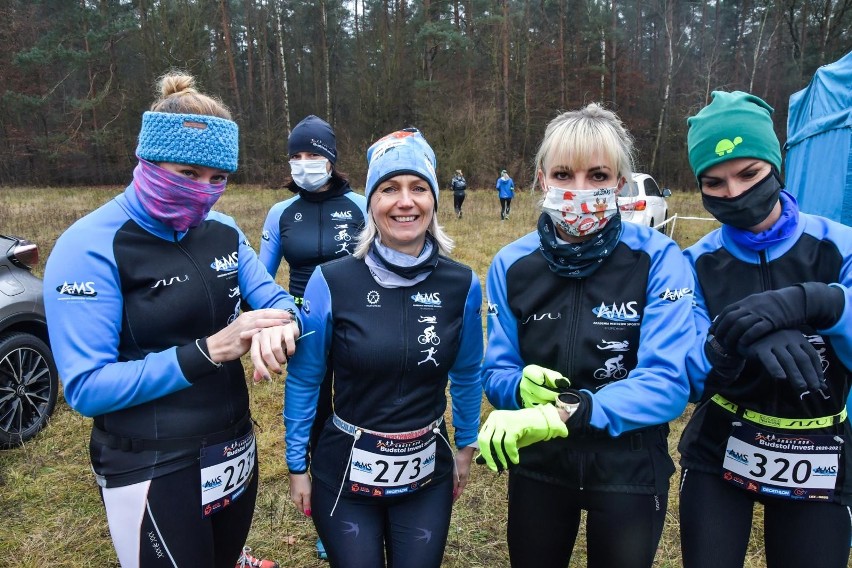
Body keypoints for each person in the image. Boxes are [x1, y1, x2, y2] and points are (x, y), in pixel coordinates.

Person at [42, 71, 299, 568]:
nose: (205, 191)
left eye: (218, 179)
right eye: (188, 174)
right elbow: (86, 387)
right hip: (149, 459)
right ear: (147, 160)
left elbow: (275, 298)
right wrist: (209, 351)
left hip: (233, 447)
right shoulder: (89, 245)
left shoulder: (223, 230)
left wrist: (282, 321)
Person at [477, 103, 695, 568]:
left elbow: (668, 384)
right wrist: (517, 386)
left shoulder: (659, 259)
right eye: (563, 174)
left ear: (619, 183)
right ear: (540, 180)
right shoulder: (510, 264)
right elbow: (494, 371)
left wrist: (562, 413)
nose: (579, 190)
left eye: (597, 176)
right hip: (540, 464)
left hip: (629, 463)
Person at [278, 128, 483, 568]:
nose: (404, 202)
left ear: (433, 199)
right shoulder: (331, 280)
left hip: (425, 475)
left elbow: (467, 372)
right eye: (389, 188)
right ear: (371, 203)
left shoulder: (463, 283)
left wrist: (465, 445)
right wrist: (297, 466)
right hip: (345, 474)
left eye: (418, 188)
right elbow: (306, 378)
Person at [678, 91, 852, 568]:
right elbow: (690, 378)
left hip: (817, 448)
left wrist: (819, 301)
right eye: (714, 183)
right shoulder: (694, 263)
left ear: (776, 166)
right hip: (722, 446)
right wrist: (735, 340)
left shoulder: (838, 246)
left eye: (749, 174)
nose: (734, 193)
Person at [258, 116, 367, 560]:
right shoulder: (280, 213)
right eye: (297, 156)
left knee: (358, 418)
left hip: (360, 325)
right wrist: (276, 319)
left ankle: (365, 498)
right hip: (305, 329)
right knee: (319, 422)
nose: (305, 164)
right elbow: (260, 279)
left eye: (314, 155)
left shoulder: (362, 204)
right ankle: (328, 517)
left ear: (332, 159)